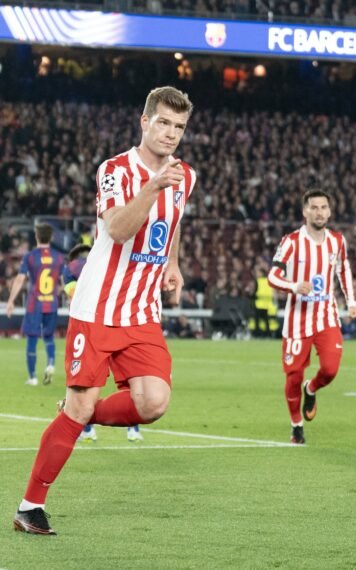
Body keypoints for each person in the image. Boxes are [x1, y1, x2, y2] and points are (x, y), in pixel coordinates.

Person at [13, 86, 196, 535]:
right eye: (164, 123)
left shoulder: (185, 176)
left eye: (179, 127)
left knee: (153, 403)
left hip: (142, 310)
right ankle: (29, 506)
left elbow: (172, 224)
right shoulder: (115, 170)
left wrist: (172, 263)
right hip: (97, 307)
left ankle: (82, 410)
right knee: (78, 408)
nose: (171, 134)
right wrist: (153, 186)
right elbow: (115, 228)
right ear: (144, 121)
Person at [268, 190, 356, 445]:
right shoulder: (292, 241)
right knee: (293, 375)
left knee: (330, 369)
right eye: (314, 207)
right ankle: (296, 425)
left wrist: (351, 301)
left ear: (329, 211)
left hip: (326, 317)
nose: (319, 212)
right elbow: (272, 276)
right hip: (297, 321)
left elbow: (344, 270)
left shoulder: (337, 241)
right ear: (305, 212)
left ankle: (312, 388)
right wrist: (294, 285)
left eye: (323, 207)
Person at [63, 243, 145, 444]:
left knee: (85, 385)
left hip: (90, 329)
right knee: (129, 382)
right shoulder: (108, 263)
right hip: (118, 326)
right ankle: (133, 430)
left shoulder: (71, 269)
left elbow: (74, 295)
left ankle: (88, 429)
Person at [5, 223, 65, 386]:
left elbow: (19, 279)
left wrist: (11, 301)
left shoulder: (31, 256)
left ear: (37, 237)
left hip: (35, 304)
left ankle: (32, 377)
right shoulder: (59, 257)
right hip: (52, 304)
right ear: (51, 237)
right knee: (49, 338)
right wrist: (69, 297)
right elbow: (64, 281)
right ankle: (51, 364)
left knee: (32, 339)